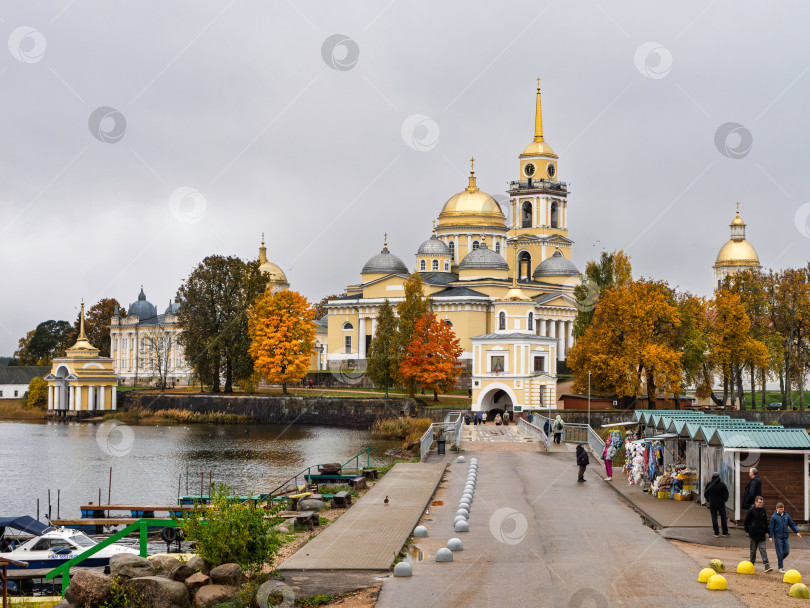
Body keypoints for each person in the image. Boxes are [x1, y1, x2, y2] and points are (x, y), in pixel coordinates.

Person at [769, 501, 802, 573]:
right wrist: (770, 537)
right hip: (778, 537)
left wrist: (797, 532)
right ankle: (780, 567)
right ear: (776, 509)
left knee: (787, 551)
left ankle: (779, 560)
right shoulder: (773, 517)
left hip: (785, 536)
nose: (781, 510)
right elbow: (771, 527)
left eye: (782, 509)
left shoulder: (787, 516)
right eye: (780, 509)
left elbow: (792, 524)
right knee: (780, 552)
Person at [744, 496, 772, 572]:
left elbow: (765, 522)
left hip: (762, 533)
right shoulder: (751, 511)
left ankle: (767, 565)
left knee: (763, 549)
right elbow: (746, 522)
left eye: (762, 502)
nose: (761, 504)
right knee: (753, 550)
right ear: (756, 502)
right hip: (753, 534)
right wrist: (747, 531)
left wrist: (767, 531)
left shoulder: (763, 510)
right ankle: (751, 565)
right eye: (759, 502)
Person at [703, 472, 731, 538]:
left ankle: (716, 533)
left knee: (714, 518)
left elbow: (705, 494)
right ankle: (725, 532)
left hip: (712, 504)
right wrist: (724, 500)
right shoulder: (722, 484)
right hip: (721, 503)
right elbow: (726, 494)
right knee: (723, 518)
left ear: (712, 477)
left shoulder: (709, 484)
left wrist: (709, 500)